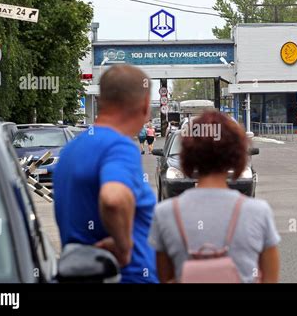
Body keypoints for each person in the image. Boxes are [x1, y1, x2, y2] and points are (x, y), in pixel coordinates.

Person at [53, 65, 158, 283]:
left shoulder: (71, 150)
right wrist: (124, 246)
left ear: (101, 101)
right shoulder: (119, 146)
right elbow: (113, 199)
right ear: (146, 105)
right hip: (125, 277)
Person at [149, 111, 280, 283]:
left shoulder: (164, 213)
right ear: (238, 156)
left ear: (187, 155)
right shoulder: (258, 212)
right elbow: (270, 278)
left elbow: (165, 277)